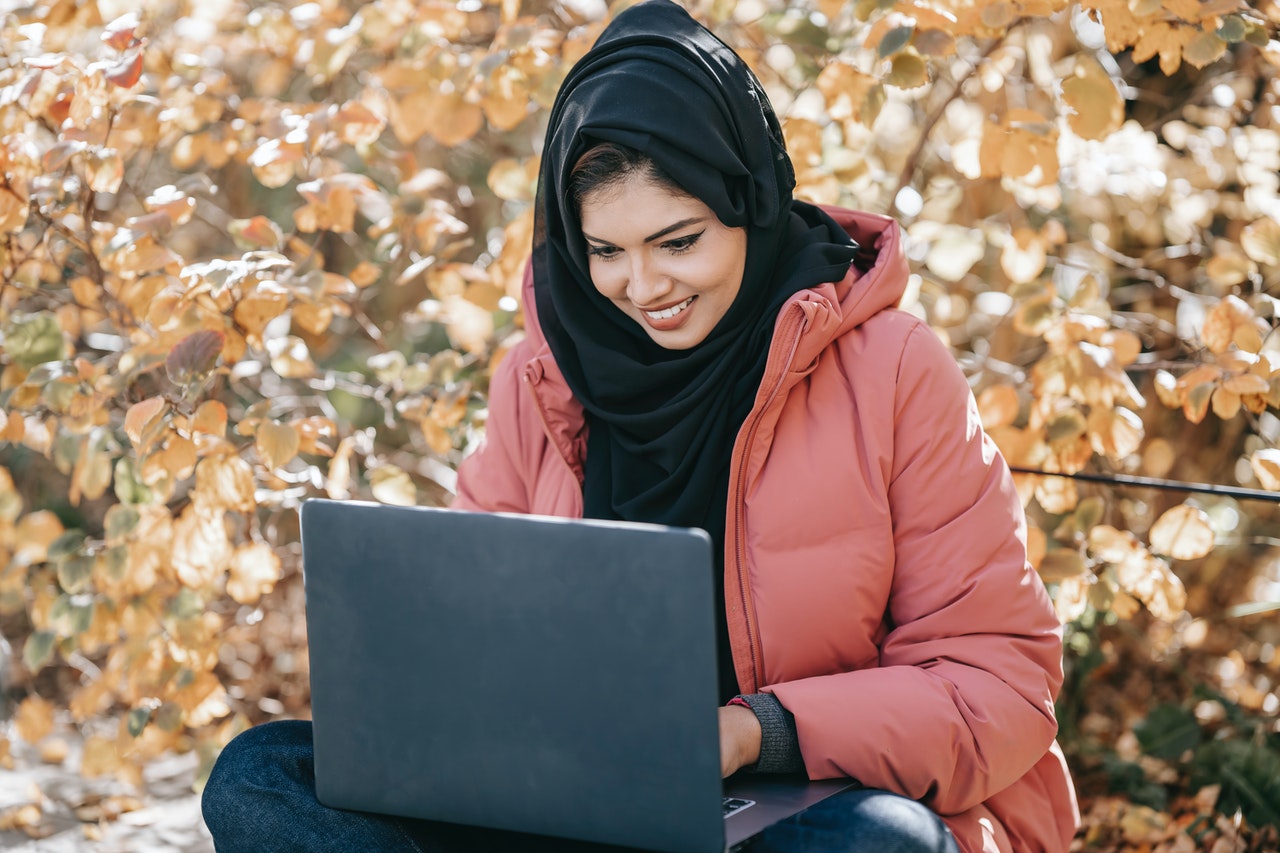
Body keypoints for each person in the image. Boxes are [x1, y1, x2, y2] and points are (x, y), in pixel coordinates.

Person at [201, 1, 1080, 851]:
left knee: (880, 842)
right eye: (607, 252)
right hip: (563, 797)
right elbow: (469, 637)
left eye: (679, 240)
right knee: (261, 774)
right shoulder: (542, 377)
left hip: (788, 803)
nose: (644, 286)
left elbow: (995, 685)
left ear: (749, 198)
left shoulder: (890, 367)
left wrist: (751, 732)